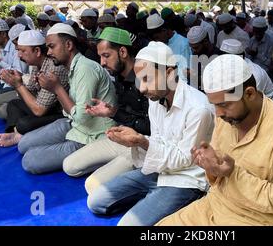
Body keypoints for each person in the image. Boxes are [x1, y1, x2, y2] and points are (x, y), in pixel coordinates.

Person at [157, 54, 273, 226]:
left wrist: (232, 173)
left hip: (257, 219)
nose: (217, 113)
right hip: (214, 204)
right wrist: (211, 167)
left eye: (223, 104)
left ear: (250, 94)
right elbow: (217, 180)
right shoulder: (227, 117)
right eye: (214, 104)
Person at [87, 41, 215, 226]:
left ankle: (187, 200)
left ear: (169, 73)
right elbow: (158, 140)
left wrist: (142, 142)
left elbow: (184, 160)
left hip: (185, 179)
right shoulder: (156, 101)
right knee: (95, 201)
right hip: (159, 169)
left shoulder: (198, 108)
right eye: (140, 79)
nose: (142, 88)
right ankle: (153, 199)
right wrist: (137, 141)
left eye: (147, 79)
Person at [16, 23, 117, 174]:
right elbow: (70, 112)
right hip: (73, 124)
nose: (48, 52)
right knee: (23, 144)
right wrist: (55, 89)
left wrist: (56, 88)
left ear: (68, 45)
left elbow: (82, 117)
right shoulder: (71, 67)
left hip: (90, 135)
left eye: (51, 46)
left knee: (29, 160)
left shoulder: (85, 68)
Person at [63, 27, 150, 194]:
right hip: (120, 137)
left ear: (123, 52)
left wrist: (116, 115)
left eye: (106, 55)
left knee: (93, 185)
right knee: (69, 166)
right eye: (100, 57)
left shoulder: (147, 79)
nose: (102, 62)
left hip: (142, 144)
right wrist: (111, 113)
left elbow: (150, 126)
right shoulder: (118, 76)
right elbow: (124, 114)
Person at [0, 30, 69, 146]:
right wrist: (17, 82)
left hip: (59, 111)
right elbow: (31, 91)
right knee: (13, 104)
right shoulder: (35, 65)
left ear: (37, 51)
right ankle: (15, 133)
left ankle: (20, 133)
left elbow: (39, 111)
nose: (19, 55)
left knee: (24, 123)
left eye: (22, 51)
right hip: (43, 106)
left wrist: (18, 85)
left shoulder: (53, 68)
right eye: (18, 50)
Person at [186, 26, 222, 91]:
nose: (193, 50)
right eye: (191, 47)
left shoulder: (218, 56)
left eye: (196, 47)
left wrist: (194, 76)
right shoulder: (196, 54)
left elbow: (216, 84)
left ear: (205, 41)